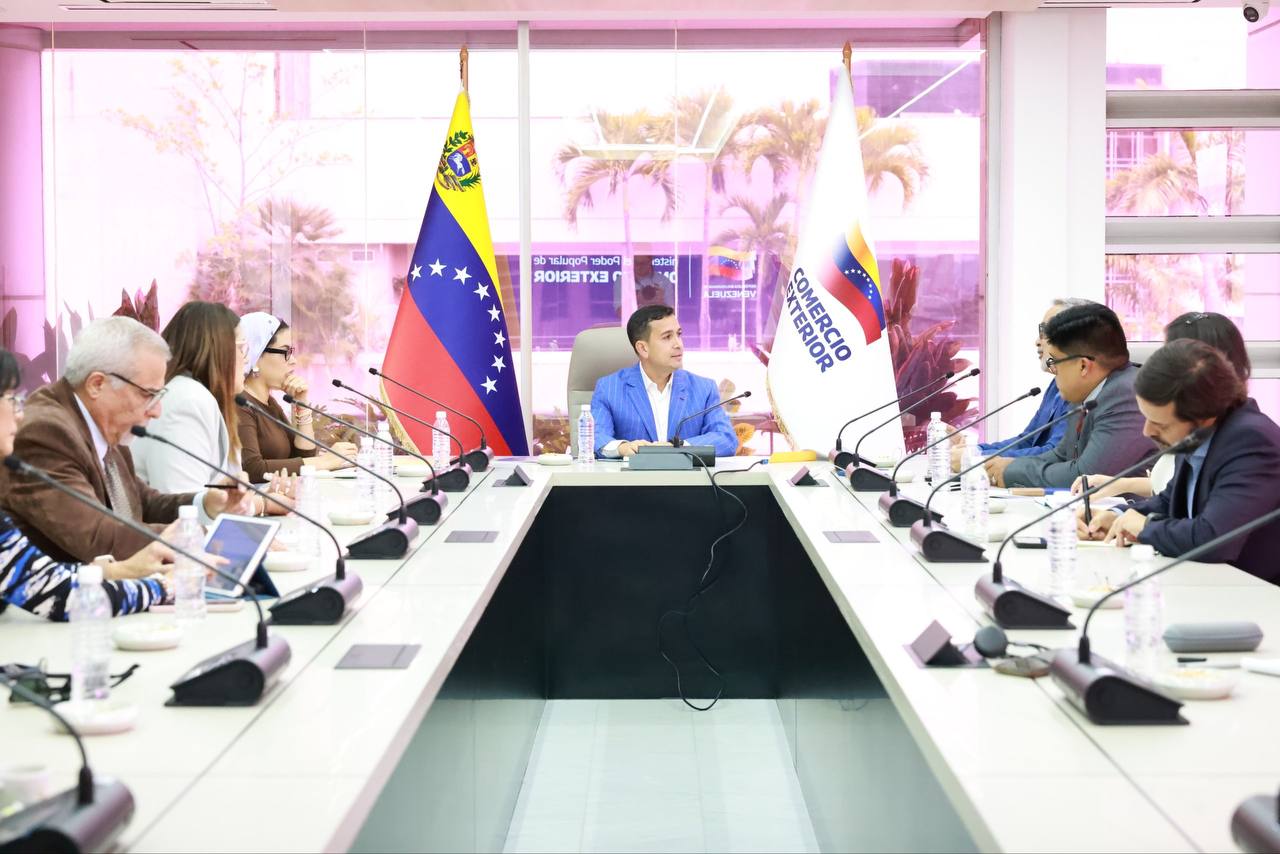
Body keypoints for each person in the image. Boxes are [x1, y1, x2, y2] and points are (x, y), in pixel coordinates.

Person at [0, 317, 248, 565]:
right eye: (149, 394)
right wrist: (207, 537)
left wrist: (206, 504)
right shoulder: (47, 433)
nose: (157, 411)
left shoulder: (102, 423)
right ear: (97, 384)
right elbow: (97, 535)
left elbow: (142, 503)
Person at [1082, 340, 1280, 584]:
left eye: (1160, 424)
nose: (1147, 431)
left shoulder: (1251, 441)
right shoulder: (1198, 434)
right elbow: (1170, 502)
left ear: (1204, 418)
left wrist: (1145, 527)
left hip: (1259, 593)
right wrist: (1117, 516)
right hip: (1213, 584)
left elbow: (1213, 540)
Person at [0, 349, 176, 620]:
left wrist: (116, 571)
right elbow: (63, 596)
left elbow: (41, 576)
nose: (19, 414)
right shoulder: (49, 429)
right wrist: (164, 587)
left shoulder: (108, 432)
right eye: (11, 399)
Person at [1071, 310, 1253, 501]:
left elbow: (1202, 510)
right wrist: (1120, 486)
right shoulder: (1193, 427)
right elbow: (1172, 489)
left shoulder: (1239, 440)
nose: (1148, 430)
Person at [986, 303, 1152, 489]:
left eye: (1054, 361)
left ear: (1083, 366)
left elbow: (1085, 475)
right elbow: (1061, 455)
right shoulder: (1085, 393)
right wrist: (1006, 465)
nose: (1053, 369)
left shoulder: (1125, 396)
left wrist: (1010, 472)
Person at [950, 298, 1086, 470]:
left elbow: (1055, 453)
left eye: (1046, 333)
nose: (1037, 341)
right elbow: (1027, 440)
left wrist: (977, 459)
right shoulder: (1055, 385)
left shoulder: (1081, 388)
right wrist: (975, 450)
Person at [591, 304, 737, 458]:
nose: (678, 344)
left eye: (679, 334)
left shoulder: (704, 389)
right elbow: (595, 437)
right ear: (643, 348)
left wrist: (680, 447)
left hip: (686, 474)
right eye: (667, 337)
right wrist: (622, 448)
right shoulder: (609, 388)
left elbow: (726, 439)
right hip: (634, 473)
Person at [237, 312, 355, 482]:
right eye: (285, 352)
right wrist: (325, 461)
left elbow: (303, 455)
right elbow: (252, 469)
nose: (293, 360)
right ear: (256, 354)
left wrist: (301, 404)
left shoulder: (269, 402)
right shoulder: (239, 403)